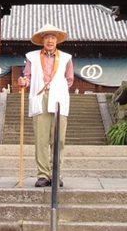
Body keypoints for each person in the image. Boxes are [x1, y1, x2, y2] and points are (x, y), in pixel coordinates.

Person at [17, 23, 74, 188]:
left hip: (58, 98)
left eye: (53, 37)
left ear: (57, 40)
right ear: (42, 40)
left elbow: (69, 80)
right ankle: (43, 174)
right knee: (41, 138)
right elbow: (27, 76)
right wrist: (23, 81)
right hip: (40, 97)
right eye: (47, 37)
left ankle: (56, 174)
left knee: (59, 138)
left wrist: (57, 88)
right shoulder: (32, 57)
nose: (50, 40)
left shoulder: (66, 58)